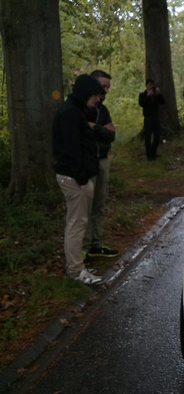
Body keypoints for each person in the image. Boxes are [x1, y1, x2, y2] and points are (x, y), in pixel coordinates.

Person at [52, 74, 105, 285]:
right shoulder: (70, 114)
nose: (98, 100)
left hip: (75, 177)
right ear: (86, 93)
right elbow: (71, 150)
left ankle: (75, 266)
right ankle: (75, 270)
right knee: (77, 224)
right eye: (95, 96)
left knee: (75, 223)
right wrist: (83, 180)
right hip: (74, 179)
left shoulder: (75, 111)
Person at [83, 70, 118, 259]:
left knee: (99, 204)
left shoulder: (103, 110)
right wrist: (101, 130)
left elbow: (111, 134)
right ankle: (83, 247)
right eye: (102, 86)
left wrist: (96, 128)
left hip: (103, 161)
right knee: (85, 206)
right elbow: (82, 134)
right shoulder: (81, 108)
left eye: (107, 88)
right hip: (88, 162)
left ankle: (96, 244)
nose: (105, 91)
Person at [138, 79, 166, 161]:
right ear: (146, 86)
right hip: (148, 119)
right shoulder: (142, 95)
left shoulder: (156, 95)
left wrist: (159, 94)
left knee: (157, 137)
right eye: (149, 85)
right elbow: (141, 103)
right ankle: (149, 155)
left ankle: (153, 152)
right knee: (148, 137)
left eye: (152, 85)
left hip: (156, 118)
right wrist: (147, 96)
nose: (150, 87)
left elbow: (163, 102)